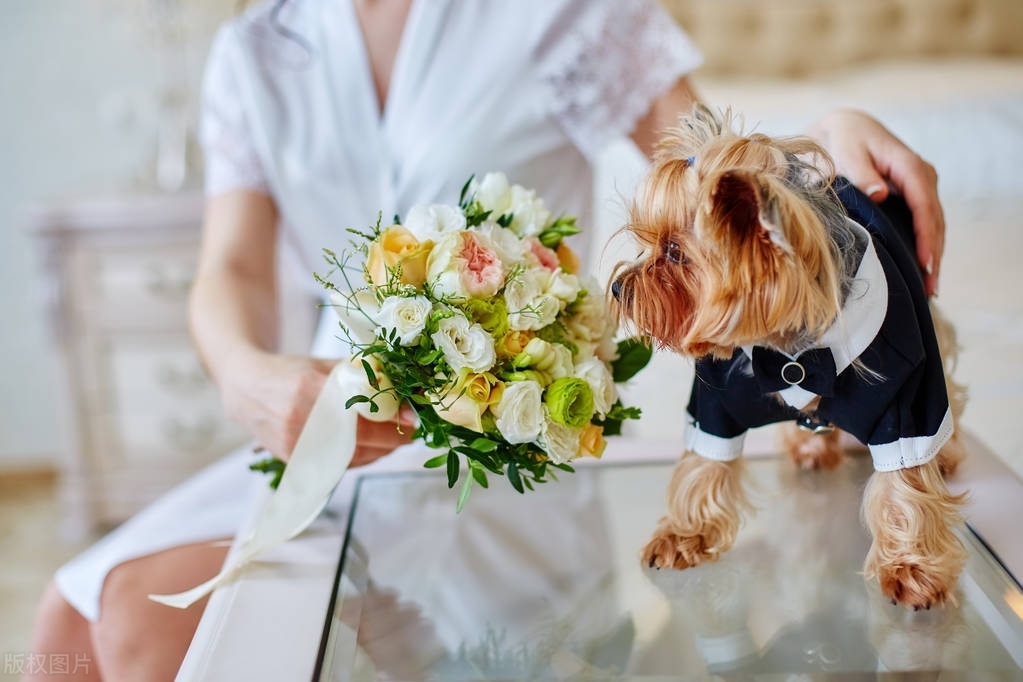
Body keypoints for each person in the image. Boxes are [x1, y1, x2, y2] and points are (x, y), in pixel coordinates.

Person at [26, 0, 947, 679]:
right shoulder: (254, 47)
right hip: (322, 430)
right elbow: (228, 267)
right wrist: (242, 374)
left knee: (135, 637)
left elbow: (709, 170)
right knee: (75, 630)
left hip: (515, 444)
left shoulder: (562, 14)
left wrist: (819, 144)